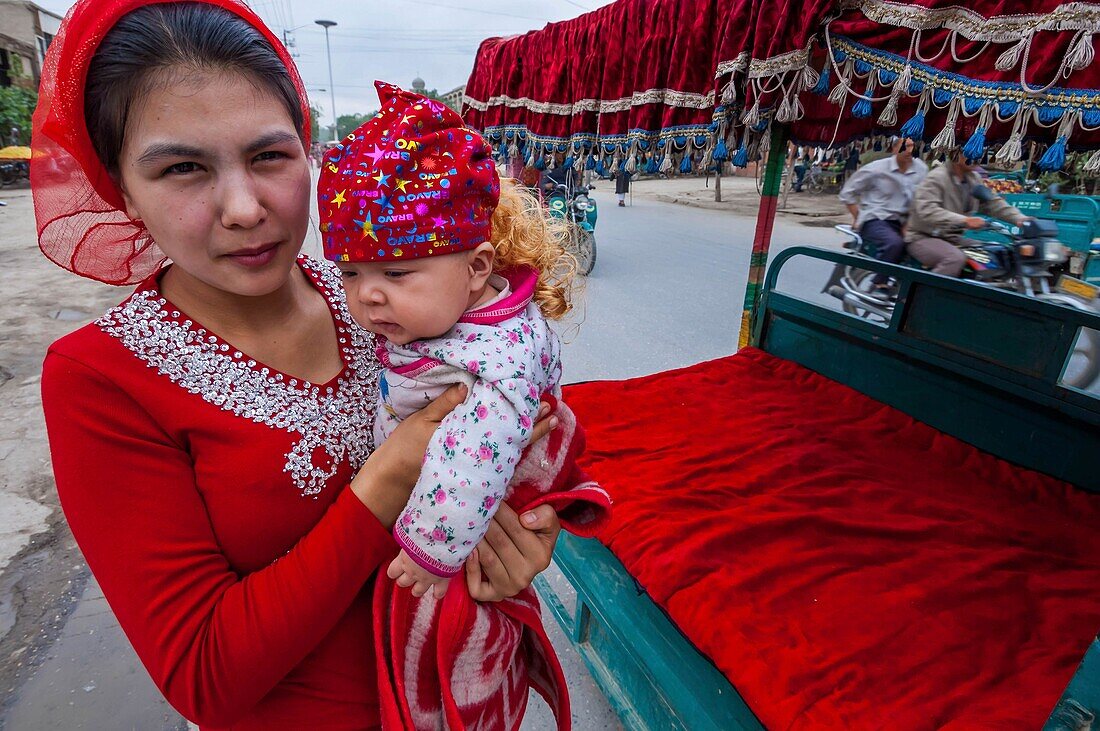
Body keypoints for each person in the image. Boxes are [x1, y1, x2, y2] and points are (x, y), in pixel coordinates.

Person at [33, 2, 564, 728]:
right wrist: (389, 476)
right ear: (121, 190)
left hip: (458, 694)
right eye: (182, 167)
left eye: (270, 156)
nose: (245, 207)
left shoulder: (381, 302)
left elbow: (524, 436)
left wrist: (522, 542)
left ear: (309, 154)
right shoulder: (100, 377)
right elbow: (204, 675)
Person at [318, 82, 610, 598]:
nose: (367, 297)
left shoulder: (497, 357)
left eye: (395, 273)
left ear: (477, 268)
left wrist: (432, 549)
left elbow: (475, 456)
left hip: (458, 536)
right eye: (349, 273)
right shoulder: (443, 317)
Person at [906, 146, 1030, 277]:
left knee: (994, 254)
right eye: (971, 152)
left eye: (979, 153)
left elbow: (992, 203)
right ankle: (923, 294)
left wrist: (1019, 218)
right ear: (956, 153)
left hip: (953, 238)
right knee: (954, 258)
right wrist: (964, 220)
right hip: (922, 237)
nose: (977, 157)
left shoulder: (974, 179)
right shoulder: (937, 178)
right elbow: (927, 210)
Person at [838, 137, 927, 288]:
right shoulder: (876, 169)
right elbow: (847, 193)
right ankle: (879, 283)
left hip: (906, 221)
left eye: (912, 147)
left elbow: (922, 199)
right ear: (894, 149)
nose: (909, 151)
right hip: (876, 219)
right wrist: (857, 217)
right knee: (894, 243)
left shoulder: (921, 169)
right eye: (904, 147)